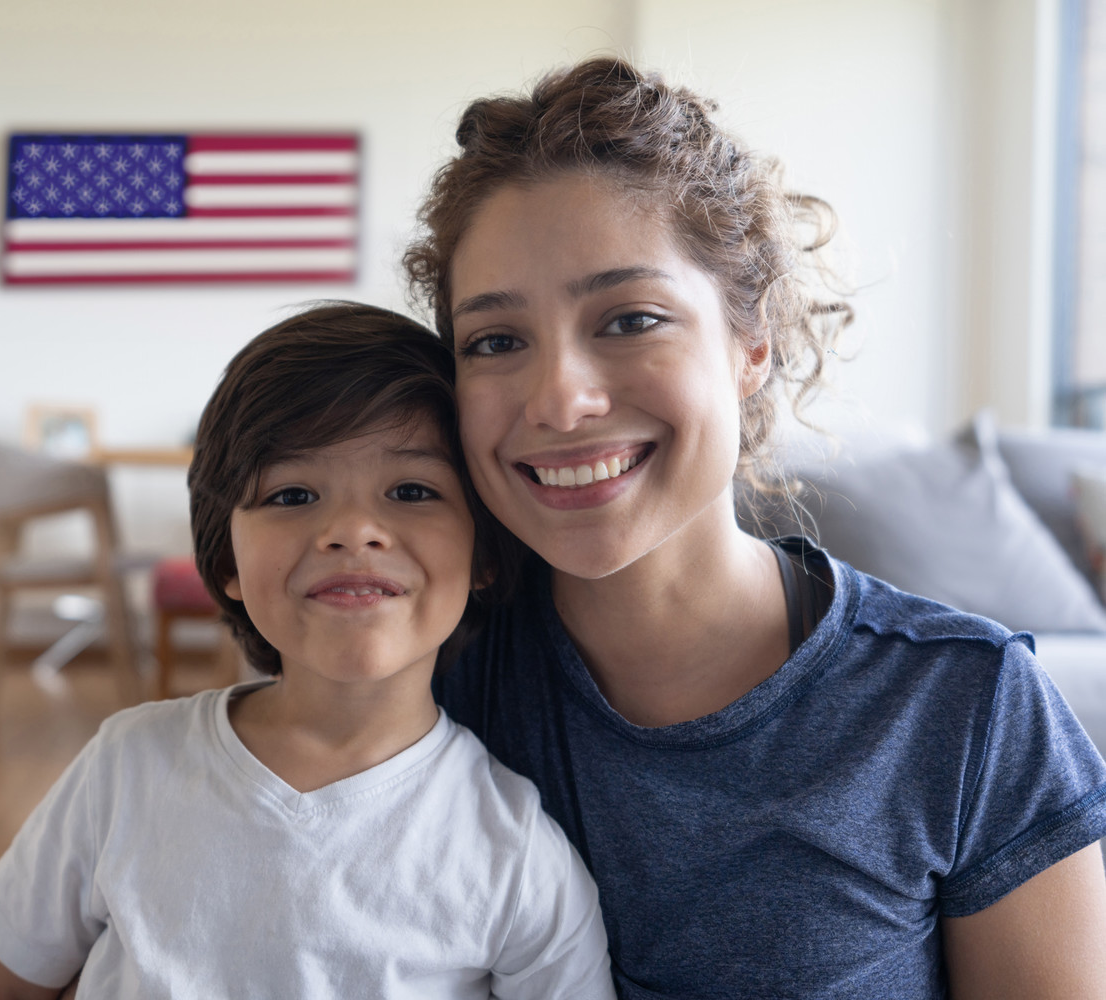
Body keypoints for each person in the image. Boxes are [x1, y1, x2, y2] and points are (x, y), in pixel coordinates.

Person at [404, 56, 1106, 999]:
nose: (560, 400)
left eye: (630, 319)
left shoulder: (967, 710)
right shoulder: (422, 685)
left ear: (751, 345)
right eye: (494, 341)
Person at [0, 302, 615, 1000]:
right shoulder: (123, 770)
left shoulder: (515, 853)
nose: (354, 530)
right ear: (227, 564)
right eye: (293, 493)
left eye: (412, 490)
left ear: (485, 551)